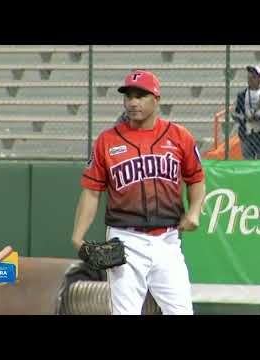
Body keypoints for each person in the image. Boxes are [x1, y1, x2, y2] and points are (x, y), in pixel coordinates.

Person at [71, 70, 206, 315]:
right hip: (126, 239)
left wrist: (195, 210)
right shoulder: (107, 141)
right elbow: (92, 191)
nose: (133, 102)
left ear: (157, 99)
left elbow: (196, 179)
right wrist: (77, 237)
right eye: (129, 96)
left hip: (168, 240)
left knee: (182, 311)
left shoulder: (179, 136)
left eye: (141, 96)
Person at [232, 65, 260, 160]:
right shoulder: (242, 95)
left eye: (253, 77)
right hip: (247, 134)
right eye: (249, 77)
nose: (250, 80)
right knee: (247, 160)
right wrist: (245, 118)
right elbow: (235, 113)